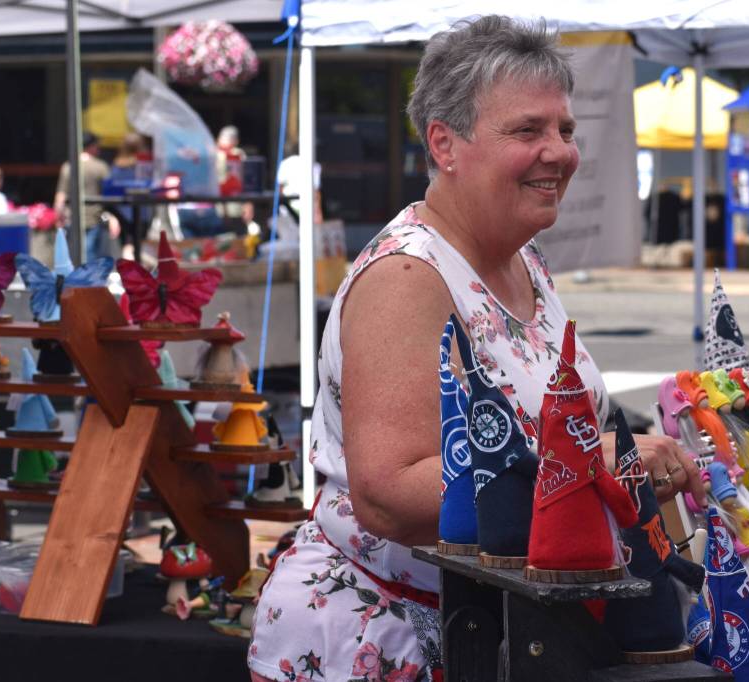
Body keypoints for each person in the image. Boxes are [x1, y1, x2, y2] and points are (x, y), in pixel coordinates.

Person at [248, 17, 706, 682]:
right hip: (392, 637)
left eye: (565, 130)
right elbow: (392, 494)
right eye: (529, 131)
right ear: (445, 144)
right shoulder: (407, 278)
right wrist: (584, 471)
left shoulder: (523, 260)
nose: (560, 152)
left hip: (508, 633)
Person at [54, 132, 113, 261]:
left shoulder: (68, 167)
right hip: (95, 216)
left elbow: (61, 195)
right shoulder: (100, 167)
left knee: (75, 255)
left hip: (72, 217)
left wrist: (58, 215)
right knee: (92, 255)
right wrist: (112, 216)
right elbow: (109, 193)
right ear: (91, 147)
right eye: (97, 146)